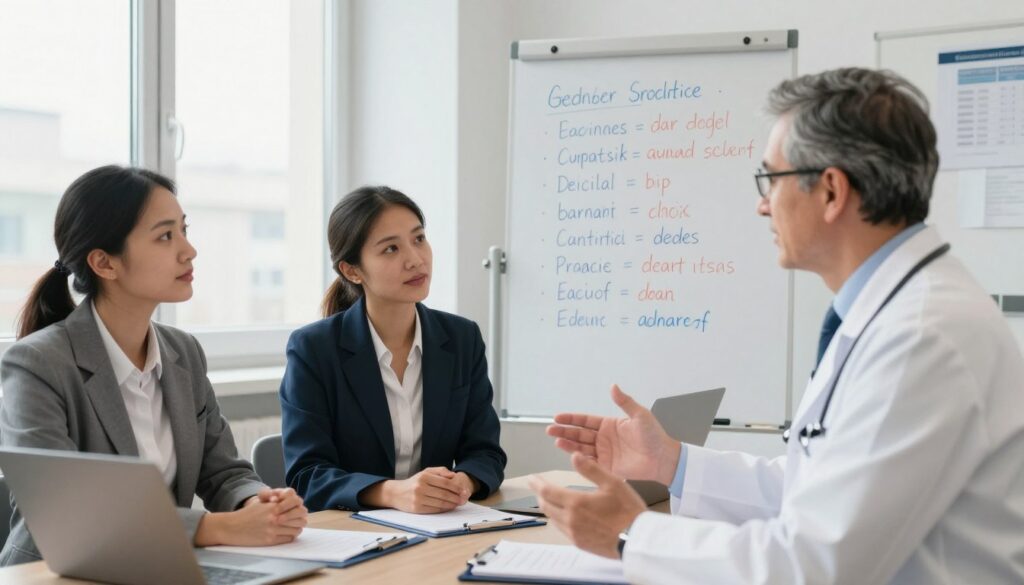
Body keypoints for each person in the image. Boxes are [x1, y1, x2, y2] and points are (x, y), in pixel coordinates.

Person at [531, 67, 1024, 584]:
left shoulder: (923, 337)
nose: (762, 204)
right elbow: (815, 486)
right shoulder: (890, 312)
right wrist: (673, 462)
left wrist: (632, 536)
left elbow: (815, 565)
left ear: (832, 191)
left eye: (771, 178)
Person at [0, 166, 308, 566]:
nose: (188, 250)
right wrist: (219, 529)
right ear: (104, 263)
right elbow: (68, 514)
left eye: (184, 230)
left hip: (160, 568)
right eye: (165, 236)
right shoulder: (38, 364)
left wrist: (259, 502)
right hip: (57, 573)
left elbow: (223, 473)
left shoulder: (183, 352)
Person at [280, 185, 506, 514]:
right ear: (352, 271)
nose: (415, 259)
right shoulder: (313, 349)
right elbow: (307, 475)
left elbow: (485, 452)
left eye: (418, 239)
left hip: (440, 527)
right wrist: (391, 493)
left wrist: (464, 482)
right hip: (355, 533)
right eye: (390, 249)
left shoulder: (461, 338)